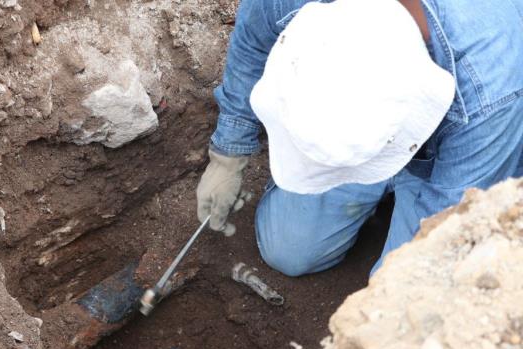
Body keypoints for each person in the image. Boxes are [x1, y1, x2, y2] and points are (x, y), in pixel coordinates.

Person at [196, 0, 523, 276]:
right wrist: (229, 154)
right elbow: (253, 38)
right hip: (367, 129)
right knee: (288, 249)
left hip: (449, 161)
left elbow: (442, 242)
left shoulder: (491, 89)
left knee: (395, 294)